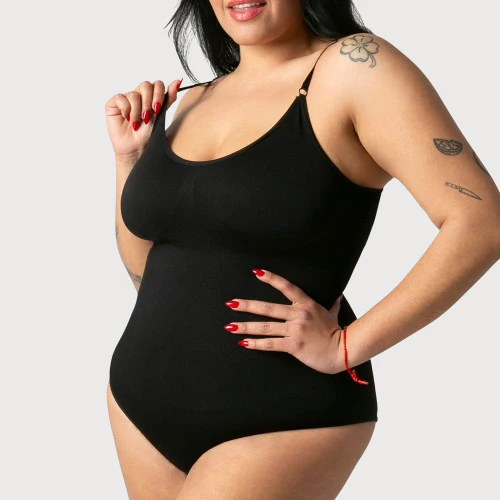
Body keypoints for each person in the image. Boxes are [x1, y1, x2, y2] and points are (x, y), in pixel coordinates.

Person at [104, 0, 500, 498]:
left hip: (281, 415)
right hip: (139, 404)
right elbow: (147, 271)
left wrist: (345, 347)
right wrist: (132, 159)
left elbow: (481, 222)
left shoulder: (357, 68)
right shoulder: (193, 99)